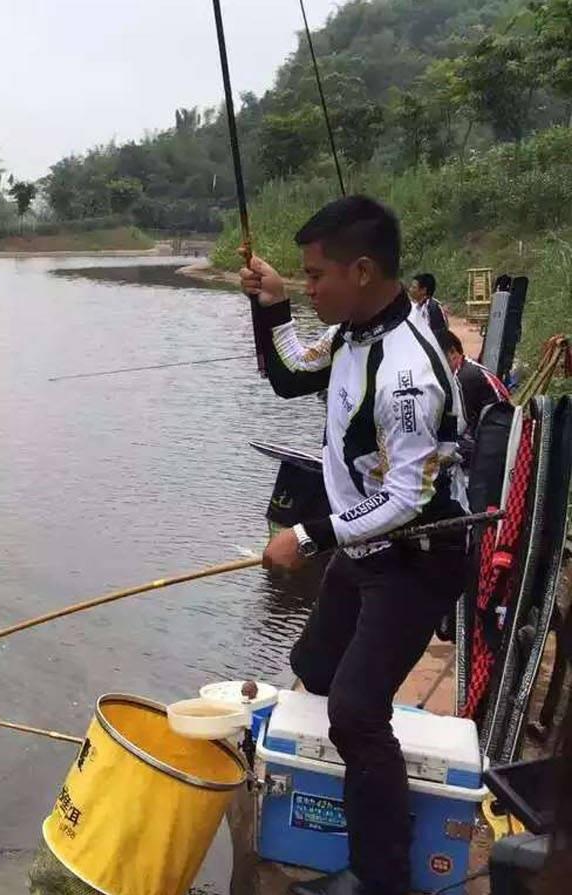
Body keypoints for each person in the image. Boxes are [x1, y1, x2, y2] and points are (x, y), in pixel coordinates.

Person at [242, 196, 468, 895]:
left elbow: (409, 500)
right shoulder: (352, 334)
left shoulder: (408, 376)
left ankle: (384, 879)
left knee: (357, 710)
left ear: (362, 270)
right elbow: (287, 373)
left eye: (316, 277)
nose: (312, 288)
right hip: (366, 548)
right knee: (312, 661)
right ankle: (322, 815)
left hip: (417, 559)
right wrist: (272, 304)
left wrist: (306, 535)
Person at [440, 329, 510, 443]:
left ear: (452, 353)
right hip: (499, 428)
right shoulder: (468, 366)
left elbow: (458, 428)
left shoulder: (464, 377)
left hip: (497, 438)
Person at [407, 272, 450, 344]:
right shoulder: (416, 306)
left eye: (414, 287)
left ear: (423, 290)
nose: (410, 289)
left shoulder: (433, 308)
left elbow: (439, 334)